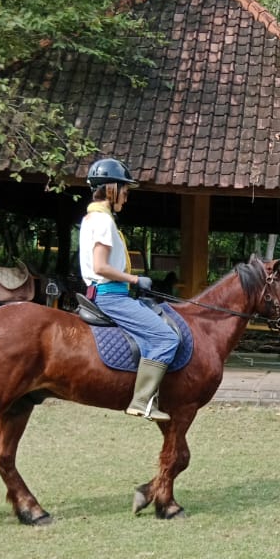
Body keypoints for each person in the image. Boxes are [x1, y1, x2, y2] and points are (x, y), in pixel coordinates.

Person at [79, 157, 178, 422]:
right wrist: (135, 280)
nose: (126, 195)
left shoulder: (92, 218)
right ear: (112, 189)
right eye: (125, 189)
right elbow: (100, 266)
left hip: (108, 293)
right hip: (111, 296)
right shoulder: (103, 222)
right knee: (166, 338)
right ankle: (142, 401)